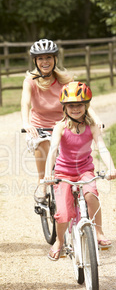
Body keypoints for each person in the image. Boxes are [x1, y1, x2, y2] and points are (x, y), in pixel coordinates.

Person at [21, 39, 101, 203]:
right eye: (41, 58)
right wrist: (26, 123)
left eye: (49, 57)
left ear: (55, 59)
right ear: (35, 61)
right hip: (39, 126)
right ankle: (42, 181)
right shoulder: (31, 81)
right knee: (42, 142)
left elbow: (82, 100)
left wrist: (97, 119)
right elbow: (25, 103)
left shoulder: (65, 80)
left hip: (63, 125)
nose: (45, 62)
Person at [43, 81, 116, 261]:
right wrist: (48, 173)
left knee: (91, 195)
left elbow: (102, 148)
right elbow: (53, 150)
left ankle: (98, 232)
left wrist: (111, 168)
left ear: (86, 106)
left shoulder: (92, 127)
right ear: (64, 107)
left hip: (85, 171)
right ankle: (59, 242)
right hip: (63, 174)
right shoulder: (60, 127)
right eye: (71, 105)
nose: (75, 108)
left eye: (79, 105)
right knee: (63, 213)